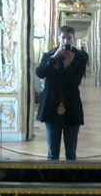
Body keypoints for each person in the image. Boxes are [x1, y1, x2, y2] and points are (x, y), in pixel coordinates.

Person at [35, 25, 88, 160]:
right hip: (51, 106)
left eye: (69, 38)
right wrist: (54, 59)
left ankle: (71, 179)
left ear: (74, 39)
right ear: (58, 38)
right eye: (63, 38)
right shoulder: (49, 55)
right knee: (52, 152)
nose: (66, 41)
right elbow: (41, 73)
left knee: (71, 152)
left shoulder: (80, 58)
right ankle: (52, 179)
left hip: (71, 106)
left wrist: (66, 67)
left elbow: (75, 81)